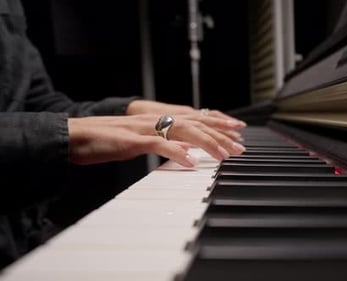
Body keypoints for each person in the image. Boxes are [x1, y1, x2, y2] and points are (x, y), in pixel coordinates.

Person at [0, 0, 246, 269]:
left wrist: (133, 110)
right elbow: (57, 123)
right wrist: (64, 133)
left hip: (23, 232)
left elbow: (46, 106)